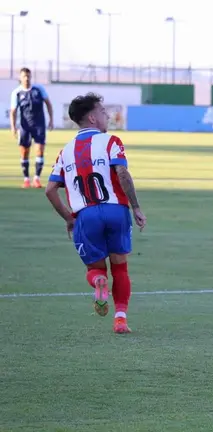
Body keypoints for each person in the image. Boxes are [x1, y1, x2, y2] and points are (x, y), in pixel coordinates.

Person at [44, 93, 147, 334]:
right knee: (120, 268)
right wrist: (136, 207)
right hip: (115, 211)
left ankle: (99, 283)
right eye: (103, 111)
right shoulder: (110, 141)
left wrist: (70, 218)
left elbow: (49, 190)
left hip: (86, 215)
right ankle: (120, 319)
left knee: (96, 270)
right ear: (92, 117)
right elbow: (122, 173)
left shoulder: (65, 152)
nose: (107, 115)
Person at [10, 67, 54, 188]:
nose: (27, 78)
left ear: (31, 77)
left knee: (39, 150)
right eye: (24, 76)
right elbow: (13, 111)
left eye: (28, 76)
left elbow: (48, 104)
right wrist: (13, 127)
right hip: (24, 126)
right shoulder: (17, 93)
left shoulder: (38, 89)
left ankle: (37, 179)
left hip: (39, 125)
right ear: (20, 77)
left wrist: (51, 120)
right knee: (24, 152)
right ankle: (26, 179)